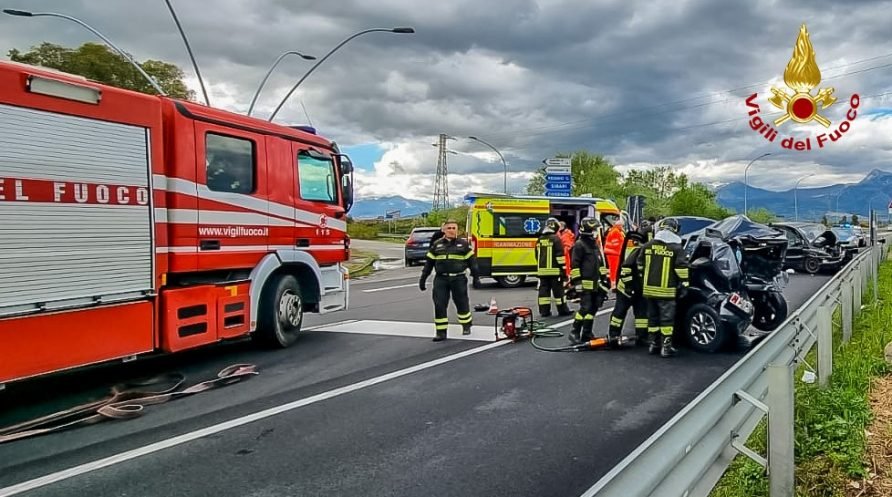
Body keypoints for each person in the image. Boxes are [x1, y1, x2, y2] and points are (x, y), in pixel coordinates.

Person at [419, 220, 482, 341]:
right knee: (439, 304)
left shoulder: (463, 245)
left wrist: (476, 278)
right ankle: (441, 332)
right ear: (444, 230)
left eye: (454, 228)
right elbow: (428, 264)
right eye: (449, 228)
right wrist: (423, 279)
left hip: (458, 279)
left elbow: (472, 263)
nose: (452, 230)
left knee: (461, 303)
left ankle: (466, 325)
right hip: (441, 279)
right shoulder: (437, 245)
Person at [636, 218, 689, 357]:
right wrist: (685, 284)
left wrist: (645, 278)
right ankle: (666, 347)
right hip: (666, 291)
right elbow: (681, 268)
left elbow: (640, 265)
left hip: (649, 290)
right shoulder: (676, 248)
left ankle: (653, 344)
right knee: (667, 320)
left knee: (652, 318)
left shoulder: (647, 246)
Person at [606, 220, 651, 347]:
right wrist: (629, 288)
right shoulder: (638, 250)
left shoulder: (644, 250)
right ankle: (613, 336)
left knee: (641, 314)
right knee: (619, 313)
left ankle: (642, 337)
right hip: (626, 288)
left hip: (639, 288)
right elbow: (626, 269)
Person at [568, 217, 609, 343]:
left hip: (597, 284)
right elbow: (574, 265)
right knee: (585, 308)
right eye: (594, 229)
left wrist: (605, 278)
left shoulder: (594, 244)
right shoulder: (579, 245)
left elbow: (600, 262)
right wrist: (577, 283)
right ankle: (574, 332)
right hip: (585, 285)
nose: (596, 232)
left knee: (593, 309)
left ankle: (587, 333)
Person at [535, 217, 572, 318]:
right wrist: (564, 271)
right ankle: (563, 310)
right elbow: (560, 257)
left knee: (543, 293)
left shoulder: (540, 239)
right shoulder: (556, 239)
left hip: (542, 272)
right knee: (559, 292)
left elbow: (536, 255)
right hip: (555, 272)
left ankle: (544, 311)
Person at [603, 218, 626, 287]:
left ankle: (613, 281)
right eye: (622, 226)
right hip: (613, 253)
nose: (622, 227)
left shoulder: (614, 230)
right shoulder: (616, 232)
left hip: (612, 252)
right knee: (614, 269)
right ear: (619, 225)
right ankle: (613, 282)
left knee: (613, 268)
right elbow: (616, 244)